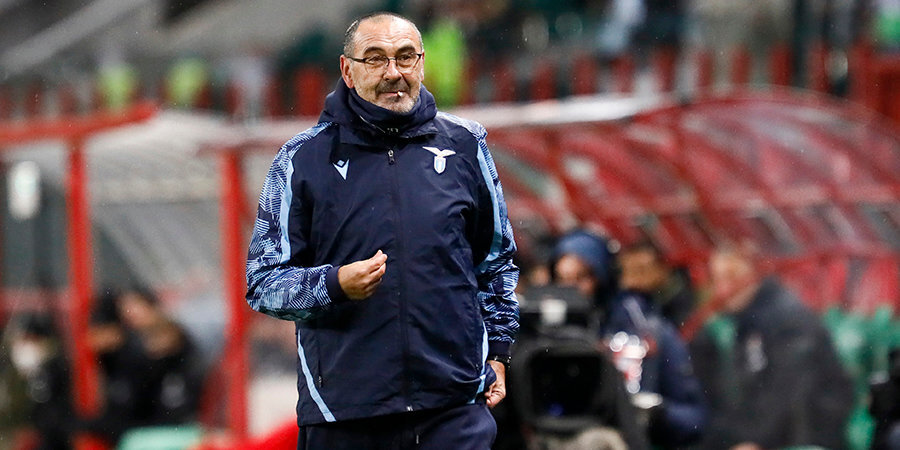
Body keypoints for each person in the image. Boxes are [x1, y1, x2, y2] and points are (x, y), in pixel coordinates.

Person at [244, 12, 519, 450]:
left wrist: (499, 351)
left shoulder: (466, 144)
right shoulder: (300, 160)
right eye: (375, 59)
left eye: (405, 57)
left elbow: (496, 262)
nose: (393, 72)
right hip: (345, 414)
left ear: (421, 63)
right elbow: (263, 284)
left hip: (453, 407)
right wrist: (334, 284)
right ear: (347, 70)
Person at [550, 229, 706, 449]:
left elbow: (694, 420)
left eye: (582, 277)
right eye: (562, 279)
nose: (571, 289)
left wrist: (656, 412)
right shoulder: (541, 338)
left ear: (605, 276)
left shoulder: (647, 333)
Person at [689, 246, 854, 450]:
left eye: (732, 277)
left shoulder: (788, 321)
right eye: (717, 279)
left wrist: (756, 442)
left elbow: (790, 395)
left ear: (756, 273)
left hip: (806, 439)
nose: (723, 290)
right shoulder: (744, 322)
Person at [7, 313, 75, 450]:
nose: (25, 346)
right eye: (22, 340)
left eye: (31, 339)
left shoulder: (56, 369)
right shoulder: (11, 373)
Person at [618, 240, 697, 328]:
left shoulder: (689, 294)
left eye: (641, 270)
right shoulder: (639, 302)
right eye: (627, 272)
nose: (629, 280)